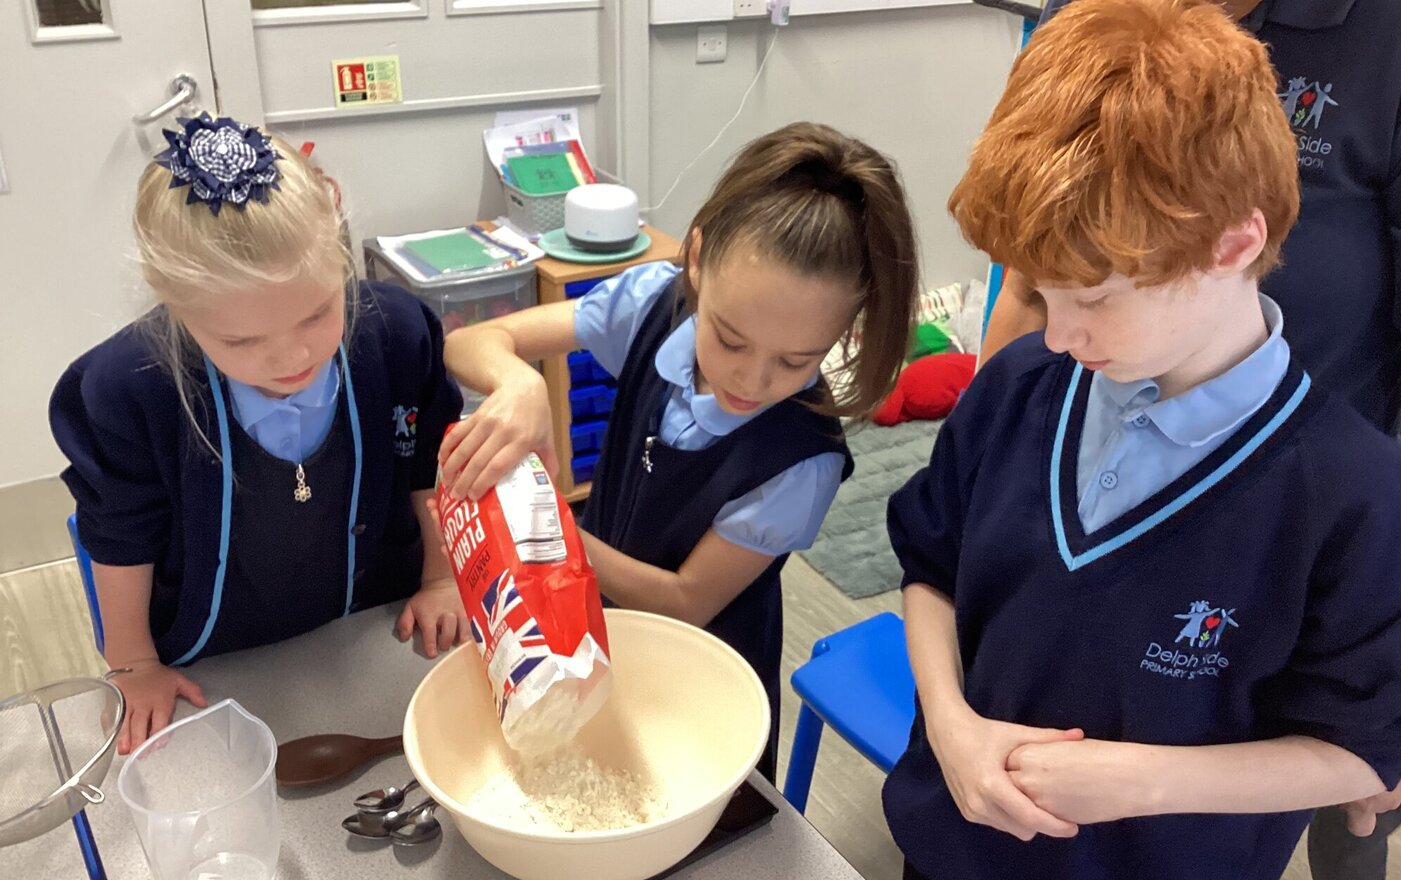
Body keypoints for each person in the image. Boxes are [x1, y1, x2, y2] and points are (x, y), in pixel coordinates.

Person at [883, 2, 1401, 877]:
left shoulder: (1353, 497)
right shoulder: (1022, 388)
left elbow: (1362, 750)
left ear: (1235, 244)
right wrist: (952, 728)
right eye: (1042, 291)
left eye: (1096, 298)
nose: (1056, 334)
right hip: (956, 846)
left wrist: (1138, 781)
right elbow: (931, 570)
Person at [439, 122, 920, 778]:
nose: (750, 381)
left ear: (847, 325)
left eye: (795, 360)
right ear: (696, 259)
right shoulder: (651, 306)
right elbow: (470, 343)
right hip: (588, 625)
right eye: (728, 338)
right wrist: (516, 379)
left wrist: (548, 532)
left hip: (703, 680)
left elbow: (687, 600)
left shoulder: (801, 458)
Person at [50, 114, 466, 754]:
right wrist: (133, 664)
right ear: (176, 310)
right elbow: (118, 533)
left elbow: (427, 473)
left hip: (369, 631)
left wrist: (440, 579)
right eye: (240, 341)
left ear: (340, 258)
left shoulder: (397, 334)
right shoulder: (126, 391)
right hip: (215, 662)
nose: (290, 358)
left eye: (319, 312)